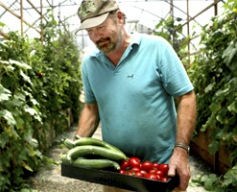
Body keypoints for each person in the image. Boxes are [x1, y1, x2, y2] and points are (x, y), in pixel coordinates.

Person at [74, 1, 196, 192]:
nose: (96, 37)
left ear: (119, 18)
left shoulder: (157, 48)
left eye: (100, 27)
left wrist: (181, 151)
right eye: (89, 31)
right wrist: (76, 147)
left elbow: (186, 96)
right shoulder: (89, 64)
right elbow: (91, 108)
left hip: (160, 171)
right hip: (116, 172)